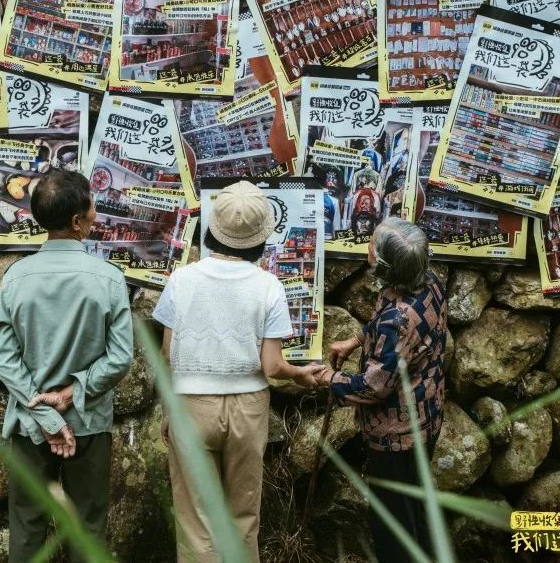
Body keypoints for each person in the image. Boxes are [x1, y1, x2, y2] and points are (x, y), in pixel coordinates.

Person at [152, 181, 321, 563]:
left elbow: (168, 353)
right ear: (261, 238)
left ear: (214, 229)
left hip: (191, 406)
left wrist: (168, 410)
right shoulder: (269, 286)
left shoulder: (182, 280)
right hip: (248, 409)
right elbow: (273, 366)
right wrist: (299, 375)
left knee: (196, 522)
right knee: (243, 516)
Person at [0, 169, 133, 561]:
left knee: (26, 523)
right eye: (91, 206)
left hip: (29, 423)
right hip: (88, 424)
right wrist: (73, 393)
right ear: (76, 222)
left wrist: (43, 412)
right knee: (88, 526)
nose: (95, 214)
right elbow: (120, 357)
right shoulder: (108, 279)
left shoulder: (15, 278)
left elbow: (3, 357)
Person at [312, 216, 447, 562]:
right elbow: (403, 336)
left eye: (373, 245)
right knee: (414, 508)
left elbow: (373, 388)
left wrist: (327, 378)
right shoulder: (428, 281)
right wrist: (356, 339)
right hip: (427, 413)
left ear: (385, 264)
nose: (367, 247)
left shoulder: (396, 321)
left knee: (392, 525)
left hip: (398, 435)